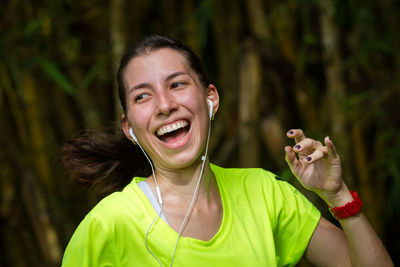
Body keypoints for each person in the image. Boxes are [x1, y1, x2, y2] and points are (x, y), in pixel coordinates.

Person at [61, 35, 393, 266]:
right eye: (143, 96)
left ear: (211, 99)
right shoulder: (108, 225)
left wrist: (337, 195)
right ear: (129, 127)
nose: (164, 105)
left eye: (177, 84)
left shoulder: (265, 194)